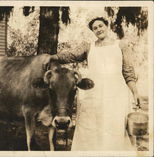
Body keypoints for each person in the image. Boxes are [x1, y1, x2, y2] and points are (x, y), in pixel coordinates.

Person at [46, 17, 140, 151]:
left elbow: (128, 72)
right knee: (90, 128)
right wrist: (53, 57)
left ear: (107, 26)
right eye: (95, 28)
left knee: (114, 127)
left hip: (116, 94)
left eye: (101, 26)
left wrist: (135, 92)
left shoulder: (121, 45)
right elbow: (72, 55)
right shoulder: (89, 47)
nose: (98, 30)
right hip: (93, 93)